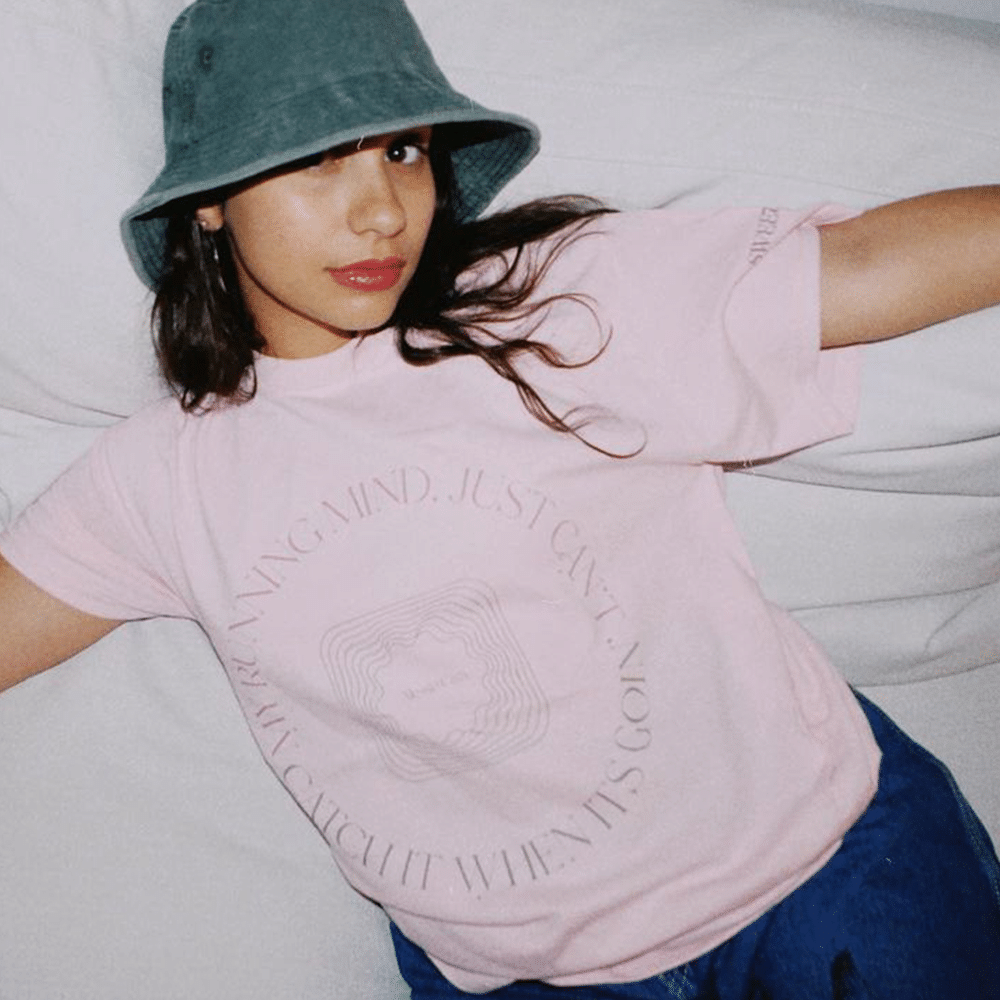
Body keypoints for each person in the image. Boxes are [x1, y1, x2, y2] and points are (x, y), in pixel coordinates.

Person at [1, 0, 999, 996]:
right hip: (530, 973)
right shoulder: (163, 479)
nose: (383, 211)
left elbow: (865, 262)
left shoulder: (552, 300)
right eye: (317, 160)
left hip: (823, 856)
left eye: (403, 150)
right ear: (209, 201)